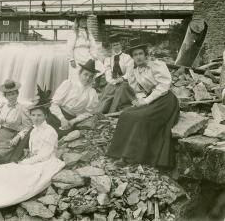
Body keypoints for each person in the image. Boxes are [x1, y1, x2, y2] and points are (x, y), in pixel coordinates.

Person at [0, 86, 65, 214]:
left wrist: (25, 162)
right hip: (34, 161)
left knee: (13, 174)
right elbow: (33, 150)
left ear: (45, 116)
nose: (36, 118)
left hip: (45, 164)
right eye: (33, 115)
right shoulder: (35, 130)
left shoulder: (50, 132)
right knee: (1, 169)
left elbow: (45, 155)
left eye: (39, 115)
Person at [106, 38, 180, 169]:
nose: (138, 57)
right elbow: (137, 89)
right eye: (135, 55)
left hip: (165, 100)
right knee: (126, 115)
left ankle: (129, 156)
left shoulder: (157, 65)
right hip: (150, 99)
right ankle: (117, 152)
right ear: (132, 57)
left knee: (141, 117)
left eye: (140, 54)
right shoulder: (132, 70)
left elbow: (163, 87)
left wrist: (146, 101)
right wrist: (140, 99)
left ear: (146, 54)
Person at [48, 59, 99, 138]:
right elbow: (54, 104)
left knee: (57, 138)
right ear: (80, 74)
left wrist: (73, 121)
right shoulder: (69, 84)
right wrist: (62, 119)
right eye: (85, 74)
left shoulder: (92, 93)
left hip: (71, 121)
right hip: (56, 115)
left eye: (91, 76)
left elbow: (88, 113)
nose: (88, 78)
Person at [0, 79, 32, 161]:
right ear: (5, 96)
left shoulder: (22, 109)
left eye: (13, 94)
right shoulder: (1, 107)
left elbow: (28, 127)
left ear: (17, 94)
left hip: (11, 137)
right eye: (8, 95)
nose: (11, 97)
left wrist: (18, 136)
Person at [98, 34, 135, 113]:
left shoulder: (127, 57)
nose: (116, 47)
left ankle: (113, 111)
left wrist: (122, 78)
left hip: (125, 82)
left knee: (121, 89)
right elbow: (107, 71)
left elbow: (130, 72)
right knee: (108, 91)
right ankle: (102, 111)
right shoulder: (108, 59)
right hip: (113, 82)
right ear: (112, 47)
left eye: (117, 44)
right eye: (114, 45)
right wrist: (111, 81)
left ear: (121, 45)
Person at [67, 17, 101, 82]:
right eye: (82, 21)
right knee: (77, 72)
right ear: (78, 22)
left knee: (99, 66)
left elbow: (93, 46)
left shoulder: (88, 33)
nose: (84, 22)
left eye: (85, 21)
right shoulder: (74, 32)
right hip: (77, 54)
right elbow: (69, 46)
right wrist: (71, 59)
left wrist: (94, 55)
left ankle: (93, 84)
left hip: (87, 54)